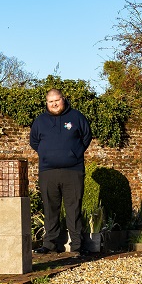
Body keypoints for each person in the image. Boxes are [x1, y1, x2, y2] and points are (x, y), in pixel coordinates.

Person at [29, 88, 92, 257]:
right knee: (50, 209)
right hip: (48, 171)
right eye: (51, 101)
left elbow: (86, 137)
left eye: (57, 100)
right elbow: (34, 142)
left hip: (73, 171)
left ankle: (78, 245)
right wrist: (47, 154)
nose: (54, 104)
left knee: (74, 209)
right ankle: (50, 244)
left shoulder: (76, 117)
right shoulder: (40, 121)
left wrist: (74, 153)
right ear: (47, 103)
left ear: (63, 99)